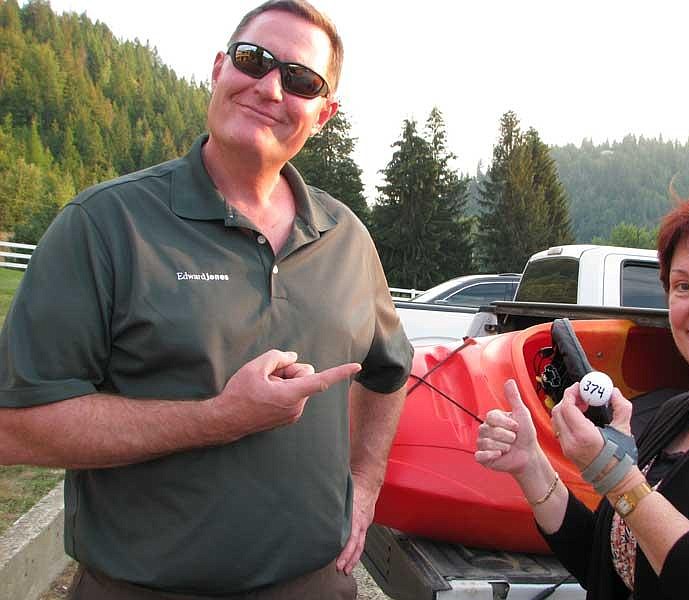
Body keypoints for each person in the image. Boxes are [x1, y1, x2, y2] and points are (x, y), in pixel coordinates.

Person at [0, 1, 412, 598]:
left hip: (317, 585)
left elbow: (391, 370)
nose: (270, 88)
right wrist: (219, 419)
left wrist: (366, 481)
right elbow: (16, 425)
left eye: (301, 80)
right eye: (254, 60)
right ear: (219, 68)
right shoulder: (105, 224)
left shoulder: (346, 236)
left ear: (324, 113)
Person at [476, 181, 689, 599]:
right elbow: (611, 562)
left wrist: (616, 475)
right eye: (683, 286)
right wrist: (531, 464)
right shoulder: (680, 413)